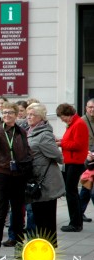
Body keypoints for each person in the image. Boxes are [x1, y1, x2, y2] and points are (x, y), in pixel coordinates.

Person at [0, 101, 32, 259]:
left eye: (10, 113)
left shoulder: (21, 131)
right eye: (4, 113)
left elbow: (27, 151)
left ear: (16, 115)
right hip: (1, 173)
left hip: (18, 174)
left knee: (18, 211)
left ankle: (19, 243)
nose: (7, 115)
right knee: (1, 210)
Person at [25, 103, 65, 247]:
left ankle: (49, 245)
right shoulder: (30, 130)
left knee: (46, 214)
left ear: (41, 117)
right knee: (39, 213)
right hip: (36, 177)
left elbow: (57, 156)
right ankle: (45, 243)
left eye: (32, 115)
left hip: (46, 180)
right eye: (28, 114)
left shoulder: (44, 134)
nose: (29, 117)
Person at [56, 103, 89, 232]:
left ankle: (75, 223)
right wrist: (61, 141)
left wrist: (61, 143)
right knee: (71, 192)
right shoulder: (74, 124)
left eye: (62, 116)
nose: (61, 119)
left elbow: (77, 145)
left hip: (75, 162)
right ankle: (75, 221)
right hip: (71, 161)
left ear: (68, 114)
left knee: (71, 192)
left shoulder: (78, 124)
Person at [79, 98, 94, 222]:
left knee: (87, 186)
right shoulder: (82, 122)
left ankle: (79, 212)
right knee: (87, 185)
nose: (92, 109)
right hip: (87, 157)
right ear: (86, 108)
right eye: (90, 107)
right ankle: (79, 212)